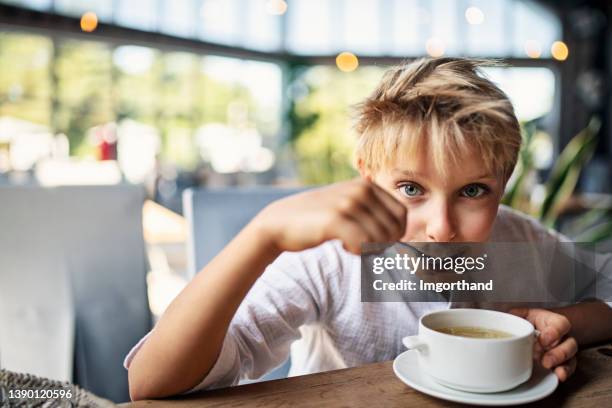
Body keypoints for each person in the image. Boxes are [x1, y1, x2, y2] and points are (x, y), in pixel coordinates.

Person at [125, 58, 612, 400]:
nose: (441, 229)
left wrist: (563, 325)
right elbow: (152, 382)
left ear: (503, 184)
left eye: (472, 191)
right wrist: (265, 234)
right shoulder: (329, 259)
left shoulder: (519, 241)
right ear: (366, 173)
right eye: (410, 188)